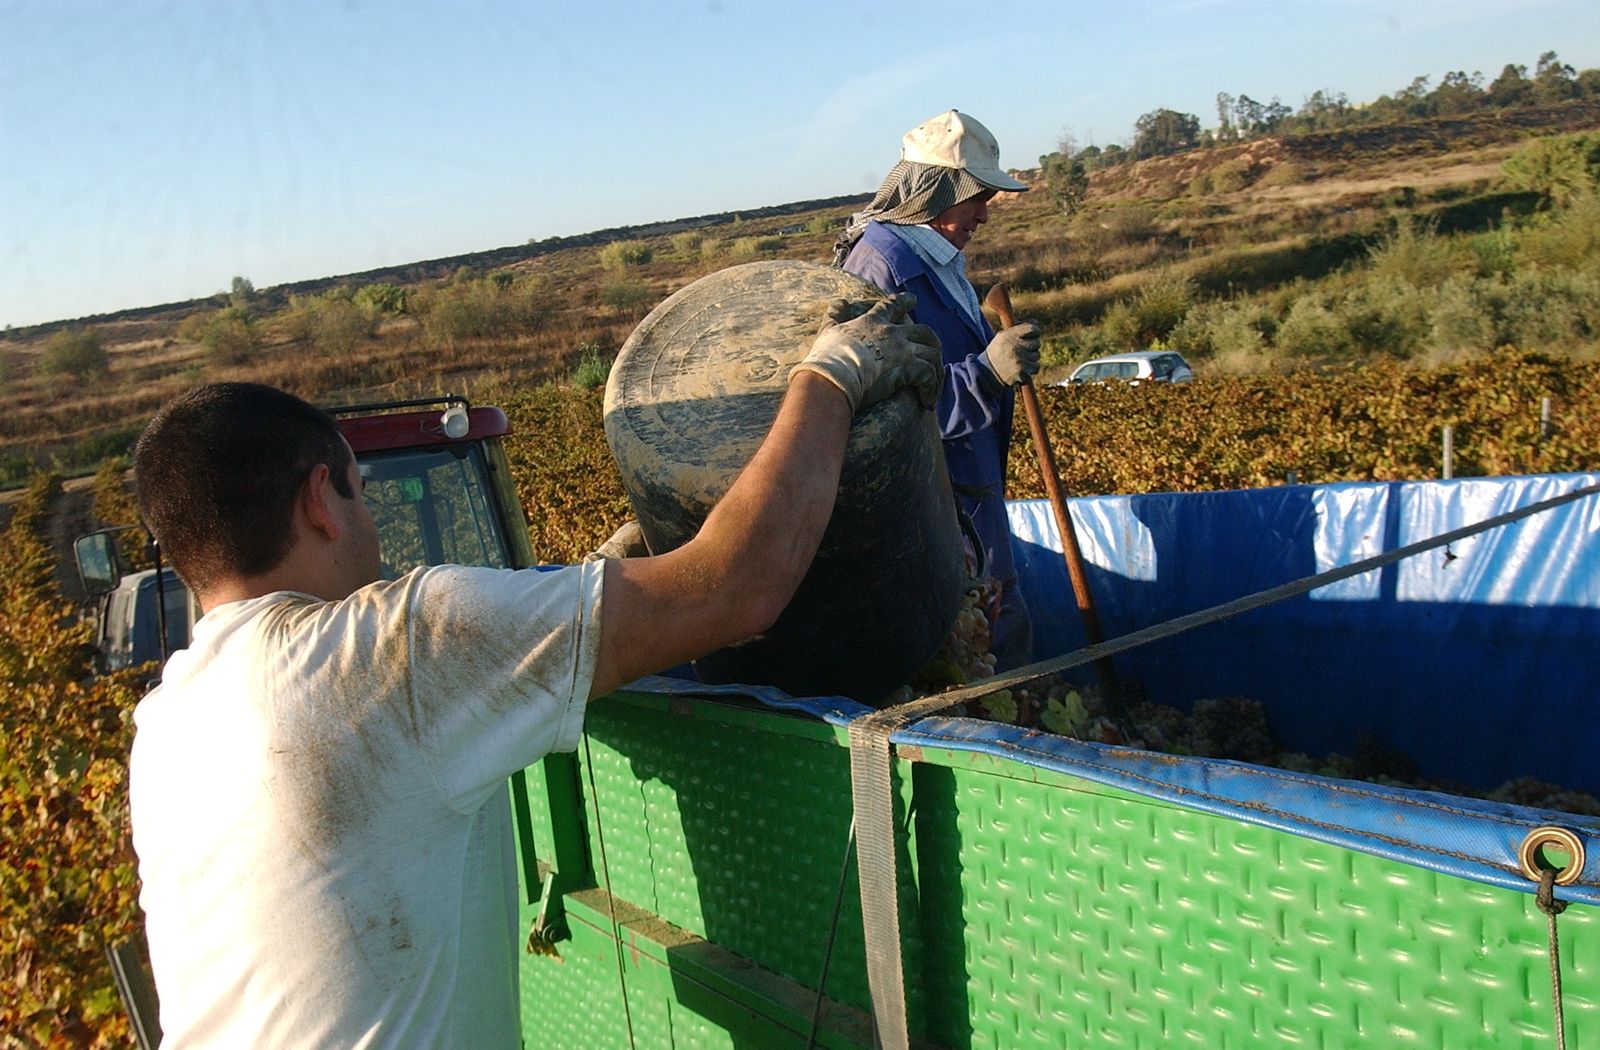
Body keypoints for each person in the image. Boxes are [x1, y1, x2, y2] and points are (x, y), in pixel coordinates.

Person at [127, 297, 940, 1048]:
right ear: (320, 503)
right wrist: (834, 374)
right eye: (361, 494)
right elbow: (739, 586)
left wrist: (586, 595)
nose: (370, 523)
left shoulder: (165, 727)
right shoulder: (392, 649)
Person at [836, 108, 1042, 669]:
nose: (984, 213)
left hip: (971, 494)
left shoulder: (938, 258)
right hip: (934, 505)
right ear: (934, 190)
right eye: (977, 197)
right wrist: (986, 375)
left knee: (1001, 630)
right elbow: (880, 407)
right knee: (974, 646)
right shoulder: (878, 268)